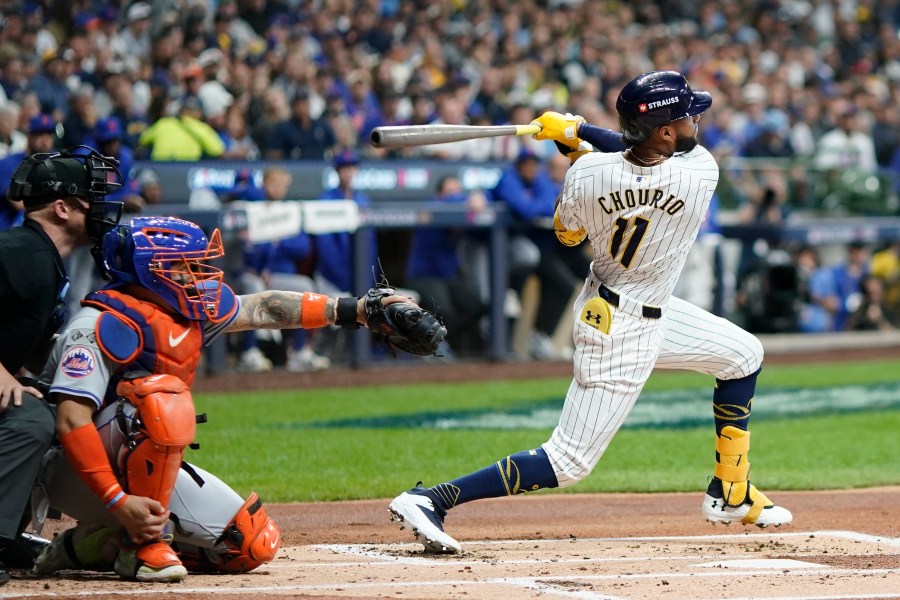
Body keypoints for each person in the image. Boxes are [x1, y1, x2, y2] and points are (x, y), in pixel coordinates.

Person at [388, 71, 792, 554]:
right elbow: (626, 148)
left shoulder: (586, 173)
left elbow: (569, 236)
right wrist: (579, 132)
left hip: (629, 300)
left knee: (743, 353)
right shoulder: (700, 171)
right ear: (664, 131)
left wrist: (576, 141)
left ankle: (731, 491)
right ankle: (432, 498)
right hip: (621, 331)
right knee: (568, 461)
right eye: (686, 114)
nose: (695, 119)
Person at [30, 215, 413, 583]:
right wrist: (117, 502)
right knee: (162, 397)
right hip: (66, 471)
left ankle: (90, 545)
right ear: (148, 270)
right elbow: (70, 421)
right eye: (184, 265)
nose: (198, 274)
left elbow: (263, 308)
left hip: (130, 465)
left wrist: (358, 310)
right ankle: (139, 545)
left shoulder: (184, 310)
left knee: (249, 544)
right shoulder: (97, 325)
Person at [0, 146, 124, 585]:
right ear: (61, 208)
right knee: (30, 419)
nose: (103, 208)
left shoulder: (41, 258)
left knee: (55, 404)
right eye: (92, 198)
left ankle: (9, 532)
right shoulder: (21, 251)